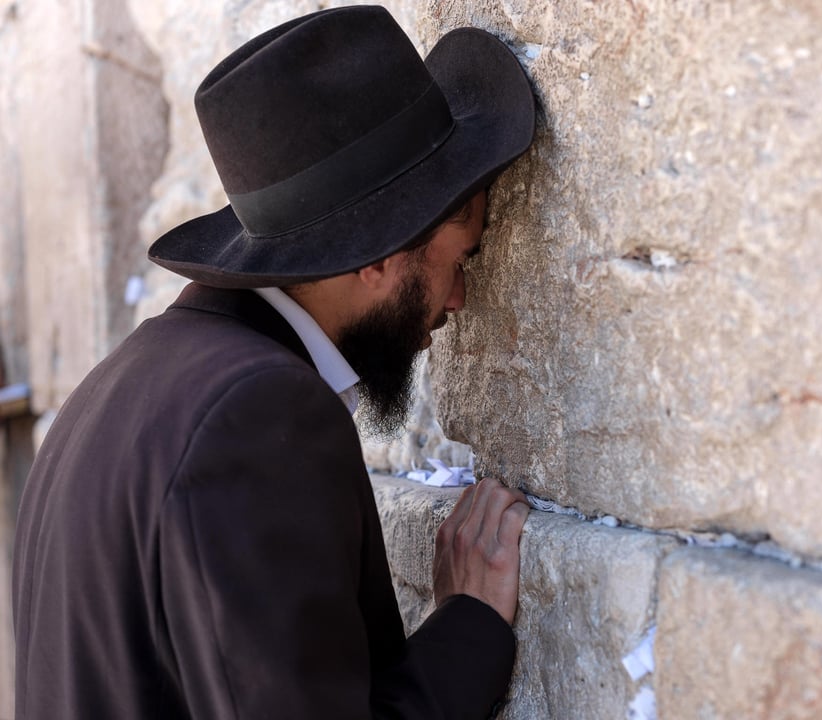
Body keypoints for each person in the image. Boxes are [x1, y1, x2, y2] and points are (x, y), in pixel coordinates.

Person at [12, 6, 536, 719]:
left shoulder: (120, 384)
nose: (460, 297)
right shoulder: (256, 416)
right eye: (458, 255)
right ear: (381, 257)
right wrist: (469, 624)